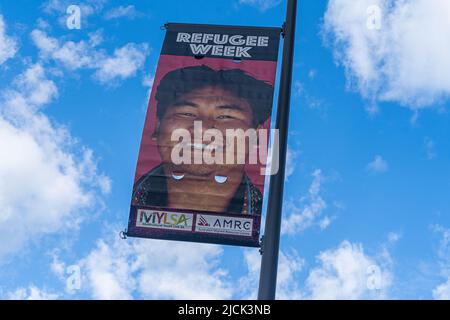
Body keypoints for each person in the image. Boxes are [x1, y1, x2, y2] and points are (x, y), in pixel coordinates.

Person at [132, 65, 273, 216]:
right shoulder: (117, 207)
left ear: (256, 135)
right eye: (186, 113)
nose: (203, 128)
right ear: (158, 126)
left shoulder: (271, 219)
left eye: (226, 116)